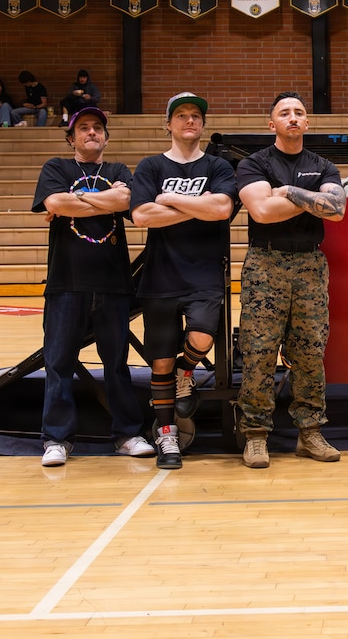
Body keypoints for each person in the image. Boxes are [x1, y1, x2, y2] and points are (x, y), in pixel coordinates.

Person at [30, 106, 155, 466]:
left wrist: (77, 203)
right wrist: (103, 202)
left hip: (113, 284)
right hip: (66, 283)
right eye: (83, 128)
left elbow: (127, 200)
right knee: (58, 362)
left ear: (106, 136)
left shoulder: (117, 171)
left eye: (97, 128)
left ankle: (128, 434)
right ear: (71, 138)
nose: (91, 133)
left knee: (116, 362)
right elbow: (54, 202)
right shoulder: (57, 168)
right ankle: (56, 438)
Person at [235, 91, 346, 468]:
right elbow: (263, 212)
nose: (293, 117)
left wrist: (290, 192)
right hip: (265, 263)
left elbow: (337, 209)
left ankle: (310, 433)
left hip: (310, 266)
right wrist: (310, 198)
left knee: (310, 353)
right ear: (272, 124)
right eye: (285, 113)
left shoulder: (323, 165)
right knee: (259, 353)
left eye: (299, 112)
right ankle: (255, 436)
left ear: (307, 122)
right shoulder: (254, 164)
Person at [130, 93, 237, 469]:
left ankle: (186, 370)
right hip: (160, 275)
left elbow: (223, 208)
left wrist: (169, 200)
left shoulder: (219, 166)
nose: (189, 120)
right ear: (169, 124)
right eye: (181, 115)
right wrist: (197, 207)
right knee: (159, 362)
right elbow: (142, 215)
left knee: (202, 338)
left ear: (202, 124)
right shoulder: (150, 166)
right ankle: (166, 436)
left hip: (204, 273)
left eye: (195, 116)